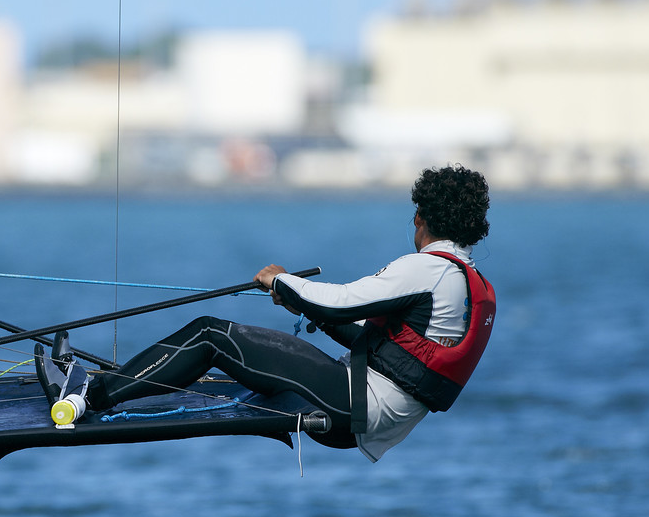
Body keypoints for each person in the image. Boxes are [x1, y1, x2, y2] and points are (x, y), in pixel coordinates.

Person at [56, 164, 495, 461]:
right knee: (235, 358)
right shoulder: (466, 282)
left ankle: (88, 398)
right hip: (369, 417)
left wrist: (280, 281)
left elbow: (340, 300)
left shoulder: (428, 269)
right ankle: (118, 385)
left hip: (355, 403)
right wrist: (308, 308)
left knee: (210, 335)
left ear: (420, 217)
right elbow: (369, 335)